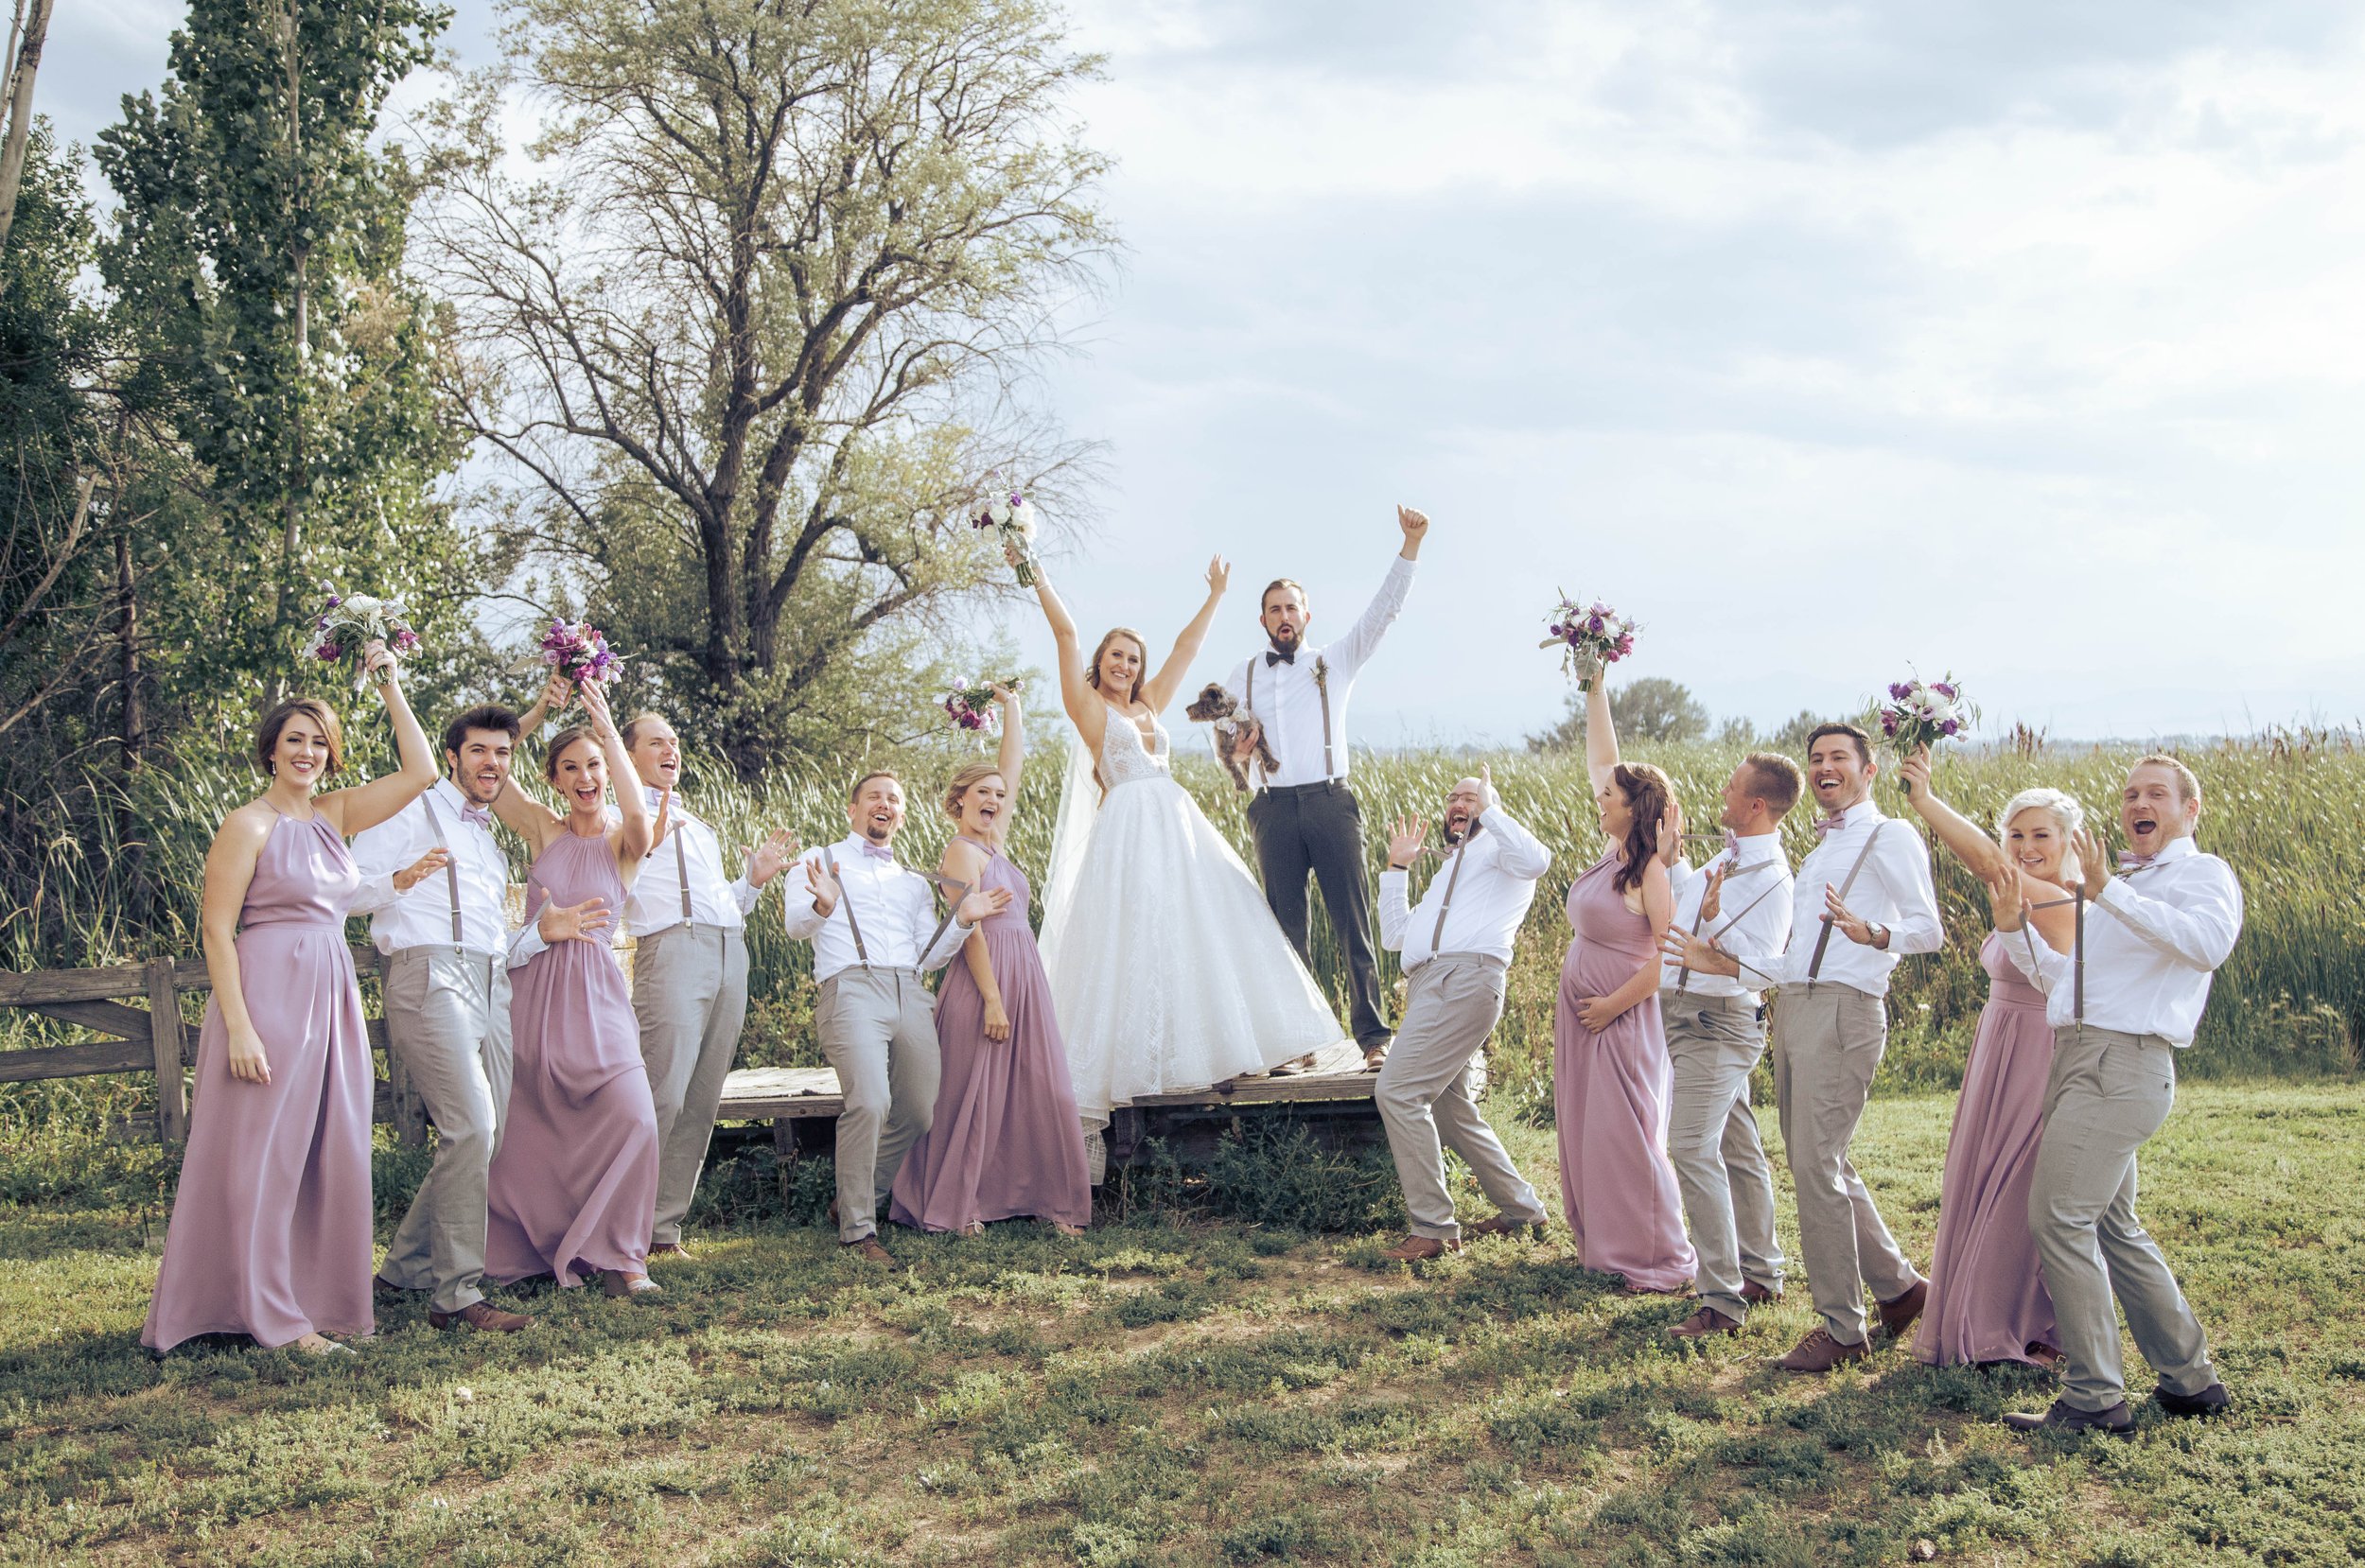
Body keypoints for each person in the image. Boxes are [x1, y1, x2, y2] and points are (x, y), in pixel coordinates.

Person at [143, 643, 439, 1354]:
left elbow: (424, 771)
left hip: (331, 994)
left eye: (319, 742)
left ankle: (321, 1305)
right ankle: (268, 1315)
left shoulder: (335, 815)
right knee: (263, 1156)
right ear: (270, 751)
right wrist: (239, 1028)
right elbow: (217, 932)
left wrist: (391, 684)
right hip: (268, 995)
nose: (307, 752)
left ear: (330, 755)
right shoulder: (248, 824)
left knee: (333, 1150)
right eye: (294, 740)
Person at [1022, 551, 1347, 1174]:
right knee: (1133, 941)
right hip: (1126, 830)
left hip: (1175, 823)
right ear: (1100, 663)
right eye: (1116, 654)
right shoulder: (1090, 710)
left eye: (1133, 658)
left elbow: (1186, 650)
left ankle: (1233, 1047)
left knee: (1213, 920)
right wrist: (1033, 567)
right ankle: (1127, 1079)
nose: (1126, 664)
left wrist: (1218, 594)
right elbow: (1064, 633)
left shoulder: (1149, 706)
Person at [1662, 723, 1941, 1372]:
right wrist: (1720, 959)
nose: (1824, 768)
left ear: (1868, 771)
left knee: (1816, 1167)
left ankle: (1843, 1330)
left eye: (1839, 757)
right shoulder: (1819, 855)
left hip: (1846, 1011)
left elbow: (1927, 929)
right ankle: (1900, 1290)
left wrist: (1872, 931)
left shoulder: (1889, 836)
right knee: (1824, 1163)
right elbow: (1790, 960)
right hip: (1795, 1008)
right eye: (1817, 758)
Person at [1990, 755, 2239, 1435]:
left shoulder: (2201, 874)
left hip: (2122, 1066)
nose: (2138, 802)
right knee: (2111, 1225)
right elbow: (2064, 986)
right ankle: (2191, 1383)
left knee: (2060, 1219)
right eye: (2130, 793)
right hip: (2079, 1058)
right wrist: (2013, 926)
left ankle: (2095, 1397)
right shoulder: (2123, 882)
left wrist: (2108, 892)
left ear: (2192, 809)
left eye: (2156, 792)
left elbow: (2209, 946)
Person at [352, 675, 566, 1333]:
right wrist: (398, 882)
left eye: (502, 754)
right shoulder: (409, 808)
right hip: (428, 974)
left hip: (489, 979)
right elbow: (350, 887)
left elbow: (492, 937)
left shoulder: (484, 836)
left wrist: (536, 936)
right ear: (451, 756)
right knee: (470, 1125)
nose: (491, 764)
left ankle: (401, 1271)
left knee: (485, 1133)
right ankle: (456, 1297)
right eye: (478, 752)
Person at [1224, 508, 1427, 1069]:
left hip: (1331, 803)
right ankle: (1298, 1042)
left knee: (1351, 920)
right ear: (1262, 619)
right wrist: (1239, 762)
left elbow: (1382, 614)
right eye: (1274, 609)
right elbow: (1231, 754)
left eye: (1292, 607)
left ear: (1306, 614)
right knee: (1286, 929)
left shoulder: (1334, 661)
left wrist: (1409, 546)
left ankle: (1372, 1040)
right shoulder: (1243, 674)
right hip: (1271, 809)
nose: (1284, 616)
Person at [1896, 749, 2077, 1369]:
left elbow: (1986, 862)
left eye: (2041, 835)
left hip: (2037, 1050)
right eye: (2016, 834)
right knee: (1981, 1175)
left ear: (2069, 841)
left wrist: (1923, 801)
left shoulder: (2061, 898)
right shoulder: (2026, 892)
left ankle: (2016, 1323)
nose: (2025, 847)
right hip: (1998, 1040)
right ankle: (1991, 1313)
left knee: (2016, 1184)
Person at [781, 772, 1011, 1263]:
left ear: (901, 815)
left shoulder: (911, 882)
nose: (883, 805)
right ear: (853, 808)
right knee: (869, 1100)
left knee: (918, 1109)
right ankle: (858, 1230)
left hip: (910, 991)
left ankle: (852, 1198)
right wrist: (823, 905)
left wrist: (963, 918)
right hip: (851, 988)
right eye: (874, 797)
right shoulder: (818, 860)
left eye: (893, 800)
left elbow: (929, 955)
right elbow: (795, 926)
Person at [483, 682, 666, 1298]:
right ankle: (535, 1250)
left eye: (593, 766)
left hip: (598, 993)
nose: (586, 777)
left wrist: (604, 725)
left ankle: (623, 1257)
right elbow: (496, 765)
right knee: (532, 1125)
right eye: (572, 768)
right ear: (556, 780)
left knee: (635, 1116)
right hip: (533, 992)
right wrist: (538, 710)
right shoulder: (541, 828)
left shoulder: (624, 842)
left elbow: (638, 814)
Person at [890, 686, 1094, 1236]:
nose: (996, 800)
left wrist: (1013, 710)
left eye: (1000, 795)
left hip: (1022, 973)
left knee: (1035, 1088)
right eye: (984, 793)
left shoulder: (995, 840)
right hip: (984, 982)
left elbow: (1014, 764)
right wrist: (993, 1000)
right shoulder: (961, 849)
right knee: (972, 1094)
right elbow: (970, 929)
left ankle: (1040, 1198)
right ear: (960, 801)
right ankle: (959, 1207)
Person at [616, 709, 798, 1260]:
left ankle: (663, 1232)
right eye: (655, 742)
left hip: (728, 950)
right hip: (671, 950)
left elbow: (726, 905)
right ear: (628, 756)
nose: (671, 749)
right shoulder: (618, 813)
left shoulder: (697, 824)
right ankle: (618, 1232)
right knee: (661, 1094)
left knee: (700, 1099)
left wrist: (753, 881)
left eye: (674, 741)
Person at [1370, 765, 1553, 1262]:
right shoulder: (1452, 866)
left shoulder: (1502, 853)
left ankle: (1433, 1228)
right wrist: (1397, 870)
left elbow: (1539, 861)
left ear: (1489, 803)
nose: (1458, 803)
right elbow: (1395, 937)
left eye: (1469, 797)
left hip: (1465, 980)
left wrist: (1489, 808)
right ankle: (1523, 1210)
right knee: (1451, 1111)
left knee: (1398, 1091)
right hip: (1429, 985)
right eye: (1453, 797)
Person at [1656, 751, 1803, 1340]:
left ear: (1757, 804)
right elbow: (1692, 910)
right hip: (1689, 1016)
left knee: (1690, 1147)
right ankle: (1762, 1270)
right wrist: (1674, 865)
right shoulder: (1726, 855)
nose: (1722, 790)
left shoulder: (1772, 881)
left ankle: (1721, 1300)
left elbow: (1767, 970)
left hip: (1717, 1023)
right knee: (1738, 1146)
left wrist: (1719, 926)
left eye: (1733, 786)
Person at [1555, 666, 1693, 1293]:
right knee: (1590, 1127)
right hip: (1585, 1016)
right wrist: (1594, 688)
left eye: (1610, 795)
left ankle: (1659, 1257)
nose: (1599, 797)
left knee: (1628, 1135)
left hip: (1623, 1017)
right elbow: (1603, 759)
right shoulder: (1613, 853)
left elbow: (1672, 957)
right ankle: (1607, 1244)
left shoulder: (1651, 872)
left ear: (1636, 805)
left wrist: (1611, 1005)